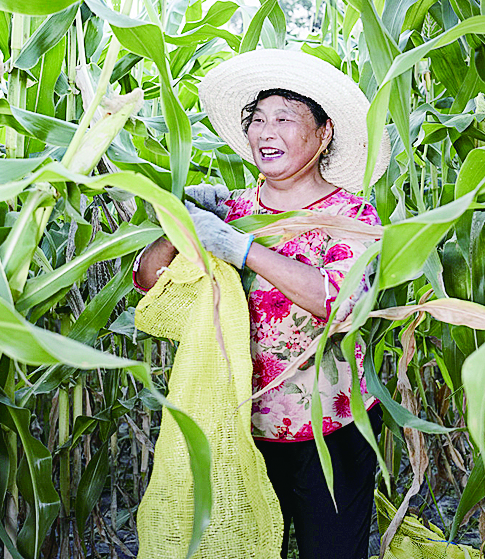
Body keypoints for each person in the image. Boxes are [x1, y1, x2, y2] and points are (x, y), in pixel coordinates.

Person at [134, 49, 391, 559]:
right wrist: (180, 222)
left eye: (284, 119)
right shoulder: (233, 210)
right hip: (237, 428)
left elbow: (339, 303)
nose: (265, 132)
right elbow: (148, 282)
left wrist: (243, 249)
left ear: (324, 133)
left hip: (330, 431)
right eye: (257, 119)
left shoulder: (352, 215)